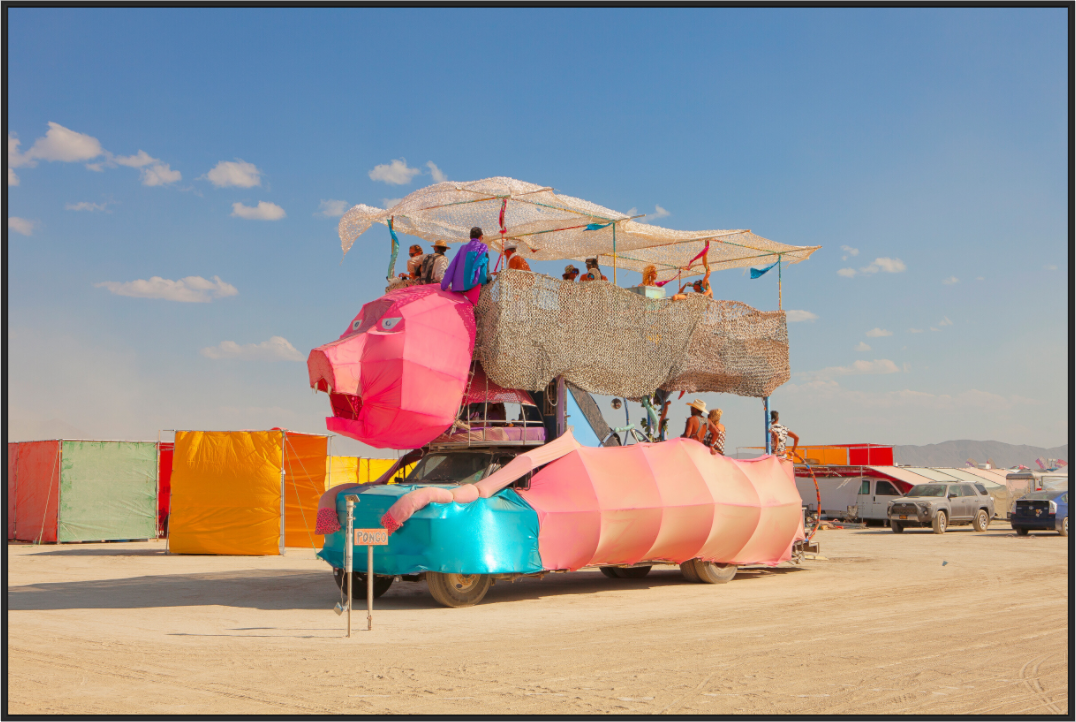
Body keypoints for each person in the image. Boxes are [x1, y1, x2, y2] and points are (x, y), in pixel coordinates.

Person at [441, 227, 492, 304]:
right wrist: (488, 280)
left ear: (470, 237)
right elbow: (484, 271)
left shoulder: (462, 248)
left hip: (459, 288)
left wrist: (444, 285)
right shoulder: (483, 249)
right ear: (481, 237)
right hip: (475, 288)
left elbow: (452, 267)